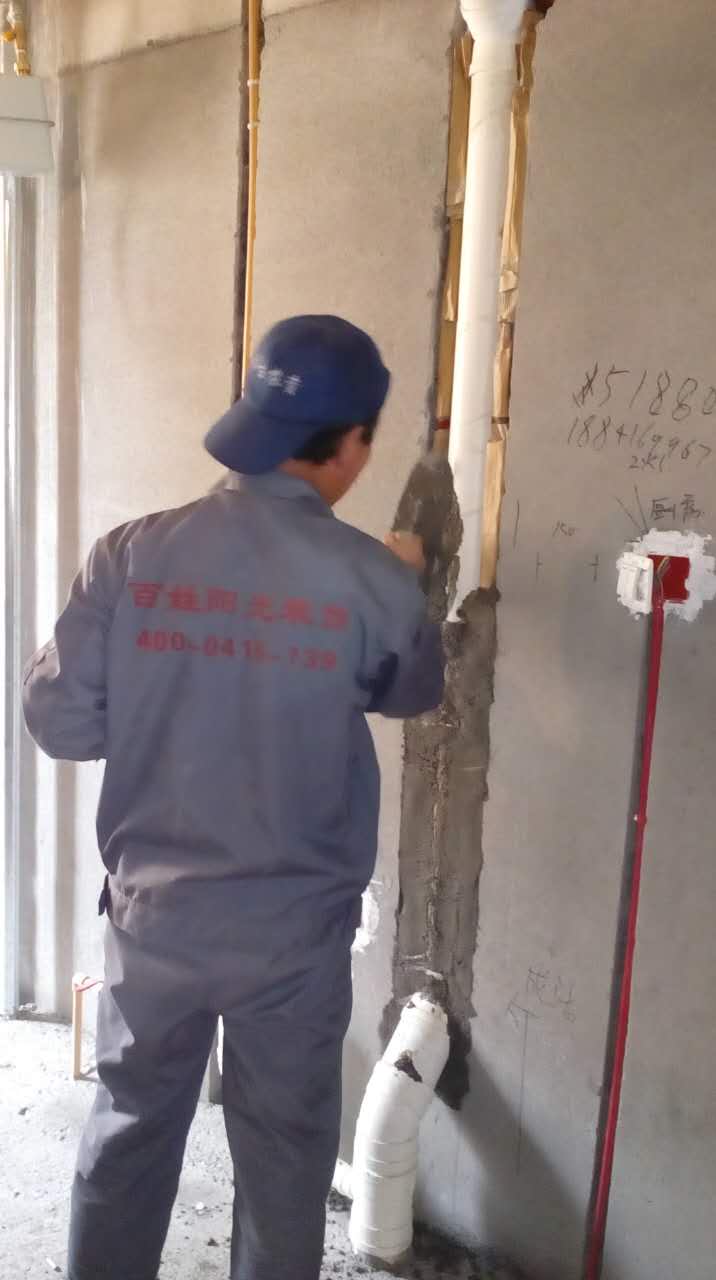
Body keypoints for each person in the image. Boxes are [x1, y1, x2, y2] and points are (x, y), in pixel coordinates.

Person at [23, 314, 445, 1280]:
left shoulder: (129, 554)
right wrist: (407, 586)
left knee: (127, 1135)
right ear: (351, 446)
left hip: (155, 924)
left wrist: (162, 699)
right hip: (293, 941)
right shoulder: (372, 581)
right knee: (285, 1162)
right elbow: (411, 692)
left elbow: (61, 724)